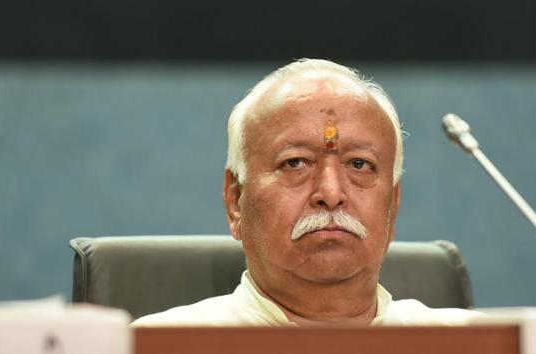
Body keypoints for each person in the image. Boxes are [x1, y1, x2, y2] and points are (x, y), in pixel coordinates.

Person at [133, 59, 479, 327]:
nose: (330, 193)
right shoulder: (156, 344)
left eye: (359, 164)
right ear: (235, 200)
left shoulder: (481, 342)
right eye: (296, 163)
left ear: (394, 206)